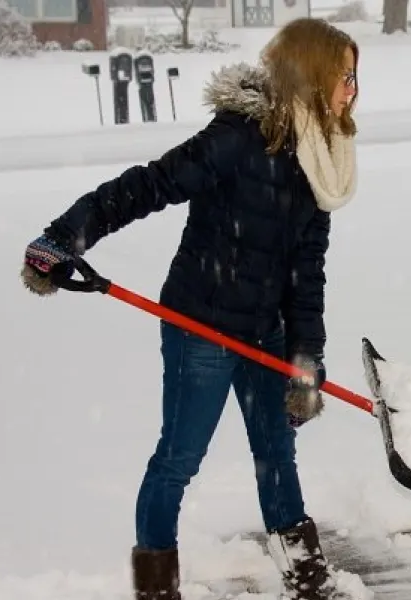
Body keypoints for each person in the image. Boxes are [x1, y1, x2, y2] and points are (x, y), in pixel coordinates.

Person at [18, 18, 359, 600]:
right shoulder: (237, 137)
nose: (352, 90)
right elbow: (149, 186)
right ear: (312, 75)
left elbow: (307, 275)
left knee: (277, 453)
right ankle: (155, 587)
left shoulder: (321, 162)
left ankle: (307, 580)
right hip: (200, 325)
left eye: (356, 78)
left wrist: (307, 358)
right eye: (344, 76)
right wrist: (64, 236)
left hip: (265, 334)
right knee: (179, 458)